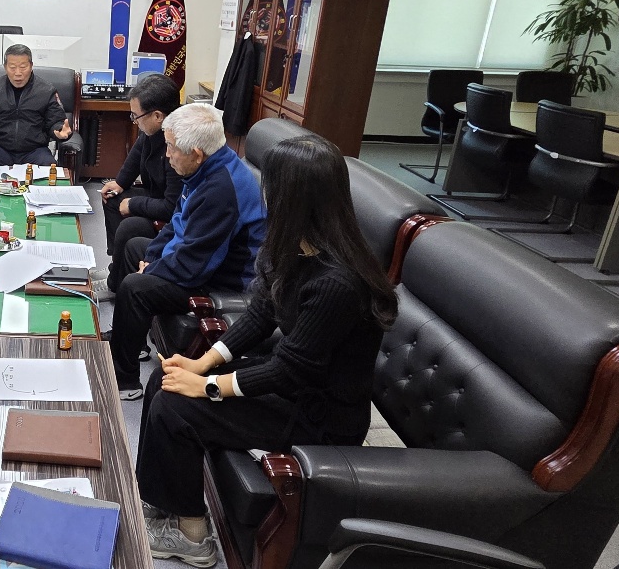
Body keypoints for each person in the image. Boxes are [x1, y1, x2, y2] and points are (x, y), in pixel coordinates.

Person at [133, 135, 398, 567]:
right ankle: (163, 502)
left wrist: (209, 387)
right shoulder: (294, 246)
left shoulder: (337, 282)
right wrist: (202, 363)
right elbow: (260, 315)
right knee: (167, 379)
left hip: (321, 415)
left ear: (292, 197)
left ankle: (193, 536)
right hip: (294, 386)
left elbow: (291, 370)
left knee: (176, 407)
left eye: (270, 186)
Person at [108, 103, 264, 400]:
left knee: (135, 287)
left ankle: (124, 381)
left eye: (171, 147)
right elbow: (176, 222)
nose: (167, 154)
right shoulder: (203, 169)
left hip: (221, 278)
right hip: (198, 256)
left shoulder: (220, 190)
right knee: (135, 247)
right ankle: (131, 343)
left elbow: (195, 266)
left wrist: (152, 269)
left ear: (196, 153)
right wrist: (151, 258)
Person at [100, 74, 184, 292]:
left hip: (168, 210)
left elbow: (171, 207)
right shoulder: (152, 130)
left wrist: (133, 204)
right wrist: (120, 183)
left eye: (136, 116)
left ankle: (115, 283)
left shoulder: (177, 147)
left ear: (157, 116)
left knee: (130, 227)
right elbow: (138, 153)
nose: (134, 120)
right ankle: (117, 264)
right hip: (155, 194)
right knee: (112, 197)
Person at [0, 43, 72, 166]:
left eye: (23, 67)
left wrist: (60, 130)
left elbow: (56, 121)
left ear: (31, 66)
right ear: (5, 67)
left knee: (48, 165)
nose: (18, 73)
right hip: (0, 150)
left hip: (34, 151)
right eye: (12, 67)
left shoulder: (46, 90)